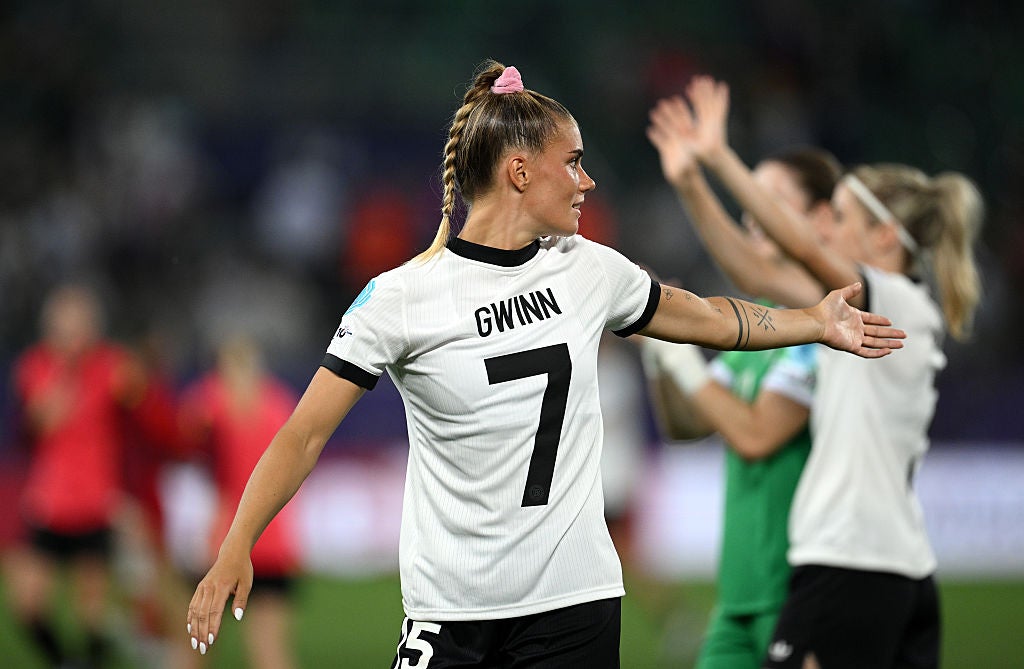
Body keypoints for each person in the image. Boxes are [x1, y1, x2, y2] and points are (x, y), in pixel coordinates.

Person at [184, 60, 904, 667]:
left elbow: (713, 317)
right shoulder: (399, 298)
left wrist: (817, 319)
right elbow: (303, 434)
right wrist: (235, 545)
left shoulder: (590, 270)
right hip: (452, 612)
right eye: (574, 161)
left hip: (576, 606)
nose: (587, 181)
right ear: (520, 171)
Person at [649, 75, 983, 669]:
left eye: (842, 215)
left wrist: (720, 156)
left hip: (852, 560)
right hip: (883, 562)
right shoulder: (864, 309)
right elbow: (756, 276)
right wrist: (692, 181)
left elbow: (799, 247)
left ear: (884, 236)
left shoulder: (895, 299)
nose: (828, 225)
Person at [639, 142, 843, 669]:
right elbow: (687, 426)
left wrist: (686, 362)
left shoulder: (828, 328)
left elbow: (754, 436)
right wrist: (663, 352)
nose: (753, 213)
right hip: (738, 596)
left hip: (800, 593)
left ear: (819, 218)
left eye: (772, 197)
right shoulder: (768, 321)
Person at [7, 283, 147, 668]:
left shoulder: (111, 365)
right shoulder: (35, 366)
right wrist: (68, 372)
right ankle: (63, 661)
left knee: (93, 612)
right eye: (65, 321)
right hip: (50, 500)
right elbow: (41, 419)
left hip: (95, 501)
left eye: (79, 321)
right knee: (28, 602)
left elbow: (143, 411)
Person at [178, 335, 302, 669]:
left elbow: (181, 437)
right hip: (274, 540)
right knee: (270, 649)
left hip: (227, 541)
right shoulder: (278, 401)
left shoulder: (212, 400)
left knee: (196, 642)